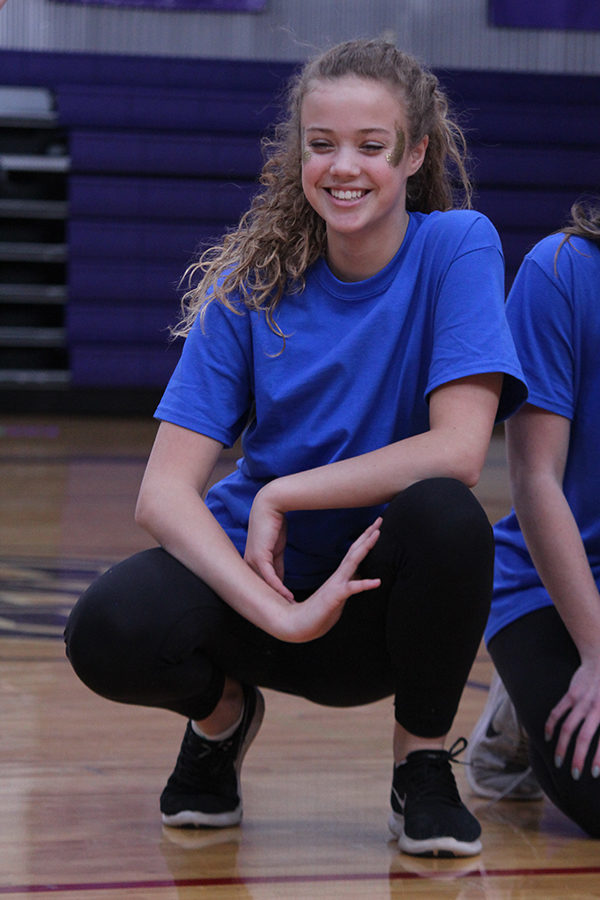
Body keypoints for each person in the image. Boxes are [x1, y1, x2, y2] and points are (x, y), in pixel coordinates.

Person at [64, 38, 526, 858]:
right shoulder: (254, 278)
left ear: (415, 153)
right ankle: (221, 722)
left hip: (385, 603)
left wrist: (281, 493)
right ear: (298, 152)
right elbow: (162, 494)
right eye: (322, 144)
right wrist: (278, 610)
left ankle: (419, 766)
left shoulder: (457, 245)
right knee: (107, 629)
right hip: (267, 595)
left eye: (371, 146)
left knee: (449, 515)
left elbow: (458, 450)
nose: (343, 167)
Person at [467, 199, 600, 838]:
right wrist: (599, 656)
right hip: (553, 581)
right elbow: (534, 478)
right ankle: (518, 716)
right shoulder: (563, 272)